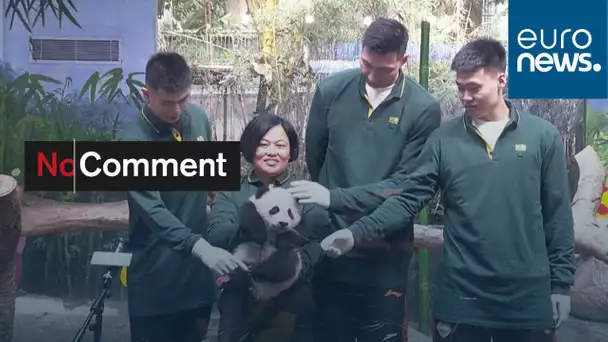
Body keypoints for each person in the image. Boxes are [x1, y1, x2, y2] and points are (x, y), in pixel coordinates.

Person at [319, 38, 576, 342]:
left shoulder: (541, 137)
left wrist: (561, 285)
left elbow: (557, 216)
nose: (465, 97)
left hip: (527, 300)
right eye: (460, 88)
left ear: (501, 81)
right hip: (461, 300)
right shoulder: (443, 140)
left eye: (474, 88)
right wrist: (355, 233)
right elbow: (407, 198)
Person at [287, 18, 442, 342]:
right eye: (365, 64)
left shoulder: (423, 107)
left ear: (403, 61)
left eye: (383, 69)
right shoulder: (330, 91)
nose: (371, 75)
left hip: (386, 256)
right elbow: (317, 160)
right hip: (329, 250)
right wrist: (330, 200)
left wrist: (337, 198)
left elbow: (403, 186)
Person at [118, 51, 248, 342]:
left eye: (183, 99)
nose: (177, 110)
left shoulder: (199, 119)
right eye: (167, 102)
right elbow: (154, 212)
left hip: (198, 278)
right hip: (155, 277)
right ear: (146, 93)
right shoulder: (132, 141)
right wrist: (200, 246)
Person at [207, 114, 331, 342]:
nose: (272, 152)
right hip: (241, 298)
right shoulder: (232, 191)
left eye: (280, 145)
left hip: (293, 300)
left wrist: (287, 272)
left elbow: (318, 242)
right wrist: (250, 225)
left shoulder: (306, 192)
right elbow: (216, 234)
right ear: (250, 147)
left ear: (291, 151)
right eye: (263, 144)